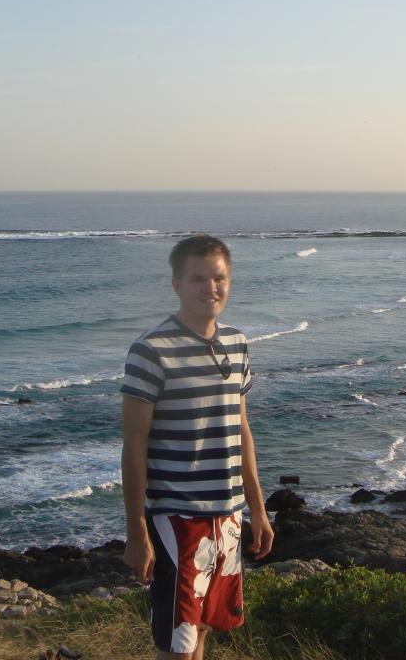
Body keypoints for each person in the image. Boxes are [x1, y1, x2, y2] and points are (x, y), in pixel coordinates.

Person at [120, 234, 274, 660]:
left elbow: (241, 428)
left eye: (219, 278)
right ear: (176, 284)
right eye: (198, 279)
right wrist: (137, 533)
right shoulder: (150, 351)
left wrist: (257, 510)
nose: (210, 288)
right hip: (177, 519)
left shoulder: (237, 344)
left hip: (227, 516)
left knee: (204, 628)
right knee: (178, 646)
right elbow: (133, 444)